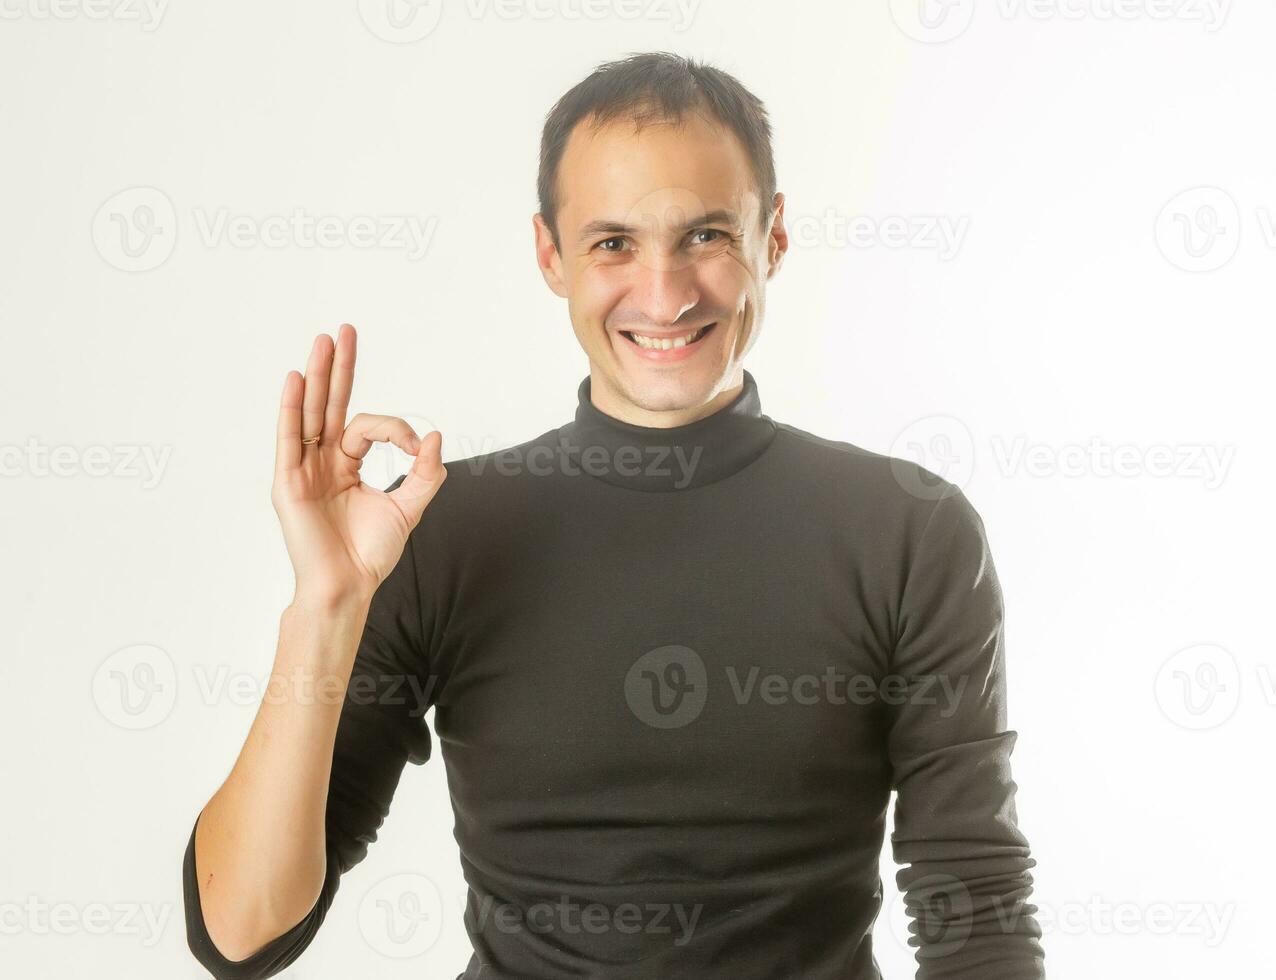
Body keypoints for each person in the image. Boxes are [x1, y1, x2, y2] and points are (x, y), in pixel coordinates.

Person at [181, 51, 1046, 980]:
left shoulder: (908, 532)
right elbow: (240, 935)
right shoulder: (435, 535)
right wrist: (327, 606)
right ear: (551, 255)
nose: (666, 293)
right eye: (613, 243)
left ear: (774, 238)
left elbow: (976, 918)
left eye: (707, 236)